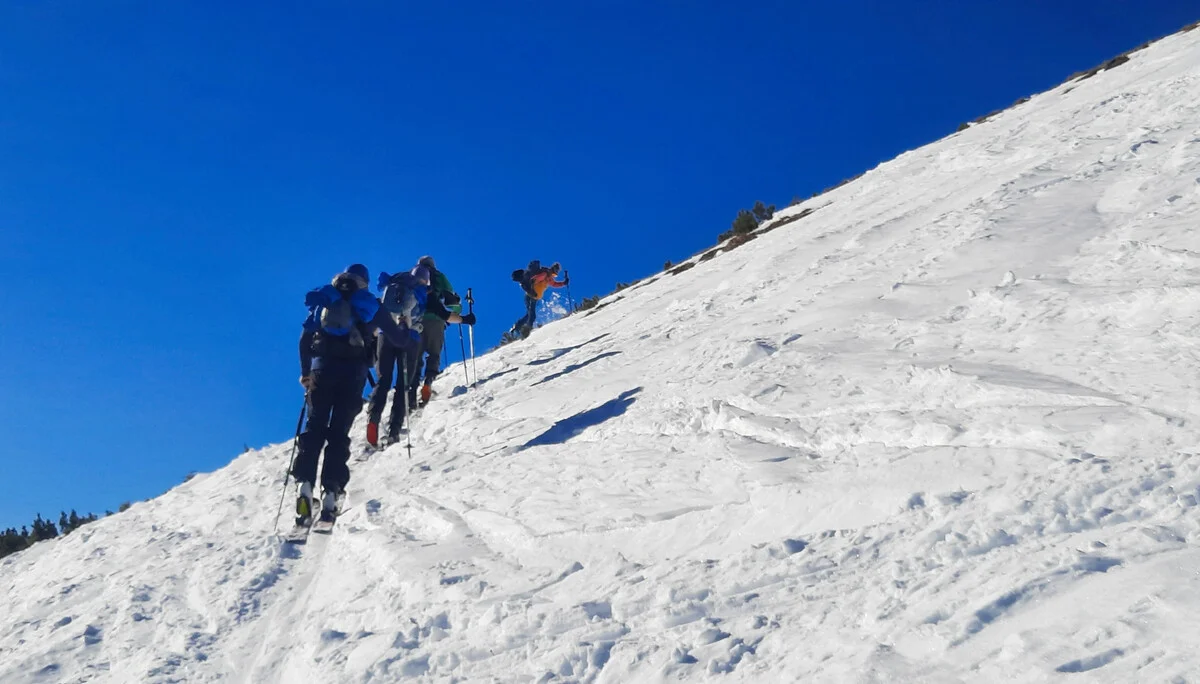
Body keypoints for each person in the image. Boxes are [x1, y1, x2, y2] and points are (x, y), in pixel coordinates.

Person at [294, 263, 412, 526]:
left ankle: (304, 486)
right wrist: (403, 327)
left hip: (321, 372)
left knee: (314, 428)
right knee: (338, 433)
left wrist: (306, 373)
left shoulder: (325, 298)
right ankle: (331, 492)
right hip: (353, 376)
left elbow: (305, 339)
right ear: (366, 282)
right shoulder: (368, 303)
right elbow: (398, 340)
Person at [366, 264, 475, 447]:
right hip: (410, 338)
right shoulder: (425, 292)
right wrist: (464, 319)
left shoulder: (393, 286)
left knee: (383, 380)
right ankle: (394, 430)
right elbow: (445, 315)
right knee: (403, 384)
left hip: (385, 336)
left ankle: (373, 419)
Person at [412, 256, 461, 407]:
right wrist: (457, 312)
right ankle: (428, 384)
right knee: (434, 354)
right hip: (436, 319)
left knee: (415, 358)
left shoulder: (412, 276)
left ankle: (411, 393)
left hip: (415, 321)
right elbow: (451, 298)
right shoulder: (439, 277)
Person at [510, 260, 568, 339]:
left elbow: (554, 284)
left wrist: (563, 283)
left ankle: (517, 328)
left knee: (529, 315)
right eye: (555, 271)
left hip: (534, 297)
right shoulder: (544, 274)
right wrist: (532, 291)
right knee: (532, 315)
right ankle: (526, 331)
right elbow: (534, 279)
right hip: (530, 296)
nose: (554, 274)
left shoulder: (549, 277)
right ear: (553, 269)